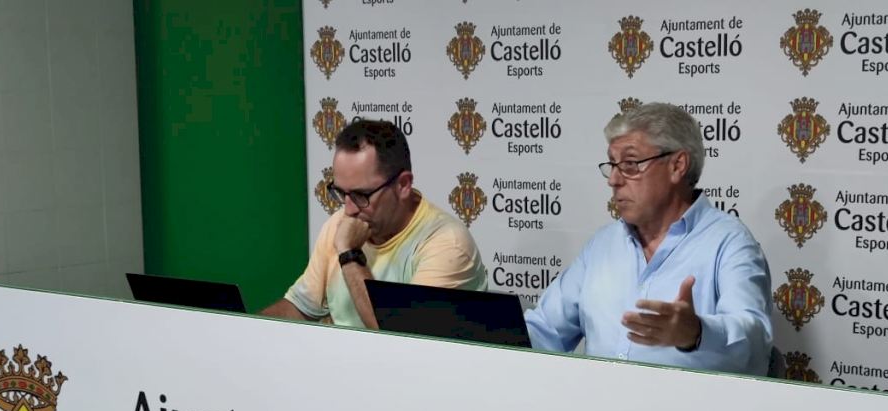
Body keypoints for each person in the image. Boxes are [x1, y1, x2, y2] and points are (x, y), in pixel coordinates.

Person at [524, 103, 773, 375]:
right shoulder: (603, 244)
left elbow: (755, 343)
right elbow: (545, 329)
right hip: (598, 399)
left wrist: (697, 333)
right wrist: (497, 335)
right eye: (612, 164)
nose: (614, 180)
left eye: (630, 164)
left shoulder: (729, 242)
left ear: (677, 166)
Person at [262, 120, 487, 327]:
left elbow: (401, 340)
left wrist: (350, 254)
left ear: (403, 185)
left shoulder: (448, 244)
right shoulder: (338, 225)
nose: (348, 209)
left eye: (361, 195)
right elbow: (300, 309)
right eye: (341, 193)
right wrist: (248, 330)